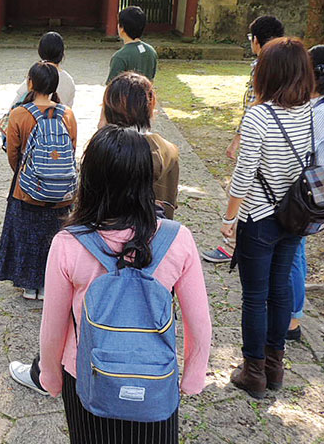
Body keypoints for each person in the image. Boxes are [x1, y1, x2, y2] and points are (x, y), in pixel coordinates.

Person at [35, 126, 211, 443]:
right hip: (155, 377)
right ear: (147, 180)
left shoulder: (68, 243)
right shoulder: (177, 239)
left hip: (87, 374)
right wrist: (193, 375)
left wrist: (50, 374)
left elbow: (54, 324)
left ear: (88, 180)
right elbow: (198, 321)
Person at [219, 37, 315, 399]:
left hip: (259, 216)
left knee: (255, 296)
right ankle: (276, 366)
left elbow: (244, 173)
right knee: (279, 290)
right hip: (294, 214)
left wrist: (230, 216)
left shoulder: (260, 114)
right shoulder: (310, 111)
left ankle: (253, 370)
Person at [203, 15, 285, 264]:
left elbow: (253, 104)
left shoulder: (261, 65)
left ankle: (231, 243)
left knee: (242, 188)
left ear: (257, 41)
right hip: (283, 141)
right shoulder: (290, 65)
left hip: (260, 135)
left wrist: (238, 139)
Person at [0, 61, 78, 300]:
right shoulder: (68, 115)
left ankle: (28, 285)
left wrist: (24, 175)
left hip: (28, 190)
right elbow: (71, 149)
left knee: (26, 233)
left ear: (31, 83)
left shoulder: (20, 114)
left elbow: (13, 153)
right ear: (54, 86)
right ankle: (49, 283)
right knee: (54, 236)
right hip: (61, 190)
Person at [285, 45, 324, 341]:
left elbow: (307, 155)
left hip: (307, 193)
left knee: (293, 254)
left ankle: (293, 321)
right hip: (315, 190)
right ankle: (292, 314)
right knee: (296, 252)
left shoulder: (322, 113)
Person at [98, 71, 180, 218]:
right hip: (155, 233)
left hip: (104, 235)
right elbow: (169, 198)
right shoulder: (169, 150)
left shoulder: (102, 149)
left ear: (109, 108)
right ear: (150, 105)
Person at [11, 31, 76, 108]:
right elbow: (69, 108)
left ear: (40, 51)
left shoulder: (37, 74)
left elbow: (17, 101)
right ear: (61, 53)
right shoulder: (68, 80)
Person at [106, 6, 157, 83]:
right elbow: (151, 79)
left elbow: (112, 87)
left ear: (122, 28)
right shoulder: (151, 51)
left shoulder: (120, 56)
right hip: (146, 93)